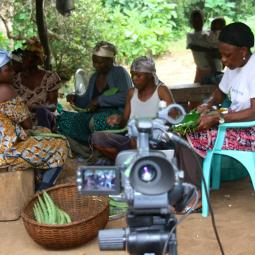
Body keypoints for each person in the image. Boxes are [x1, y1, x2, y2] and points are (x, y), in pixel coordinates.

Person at [176, 22, 255, 209]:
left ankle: (197, 197)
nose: (223, 60)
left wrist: (217, 118)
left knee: (191, 134)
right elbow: (218, 94)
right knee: (181, 130)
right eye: (221, 54)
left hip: (249, 132)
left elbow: (253, 111)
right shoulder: (234, 67)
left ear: (243, 50)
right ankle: (186, 190)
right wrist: (206, 105)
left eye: (227, 55)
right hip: (234, 124)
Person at [0, 49, 70, 191]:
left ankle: (37, 179)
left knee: (43, 129)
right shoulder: (6, 90)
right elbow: (27, 124)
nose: (13, 71)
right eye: (8, 69)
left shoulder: (47, 77)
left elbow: (52, 106)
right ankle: (41, 193)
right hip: (6, 153)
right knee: (61, 145)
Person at [91, 56, 175, 161]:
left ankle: (132, 160)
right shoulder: (131, 93)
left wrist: (153, 125)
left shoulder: (161, 90)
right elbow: (124, 124)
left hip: (155, 142)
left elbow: (173, 118)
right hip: (131, 140)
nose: (134, 79)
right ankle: (133, 161)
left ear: (150, 76)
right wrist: (119, 119)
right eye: (132, 75)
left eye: (138, 76)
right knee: (97, 138)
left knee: (140, 140)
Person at [57, 41, 133, 145]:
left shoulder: (119, 72)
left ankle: (95, 146)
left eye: (100, 62)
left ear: (111, 60)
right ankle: (89, 147)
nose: (95, 65)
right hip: (93, 114)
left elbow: (126, 96)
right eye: (94, 62)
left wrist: (100, 100)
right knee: (62, 119)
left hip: (116, 116)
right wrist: (75, 98)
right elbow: (86, 102)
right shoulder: (94, 77)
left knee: (95, 122)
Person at [12, 37, 61, 132]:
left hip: (43, 119)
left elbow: (53, 105)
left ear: (36, 60)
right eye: (23, 56)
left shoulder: (50, 77)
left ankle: (45, 137)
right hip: (22, 121)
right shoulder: (15, 79)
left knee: (42, 112)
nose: (23, 59)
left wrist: (36, 108)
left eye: (27, 56)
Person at [187, 9, 219, 83]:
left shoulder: (208, 33)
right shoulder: (191, 36)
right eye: (195, 21)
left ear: (203, 20)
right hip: (202, 68)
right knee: (197, 89)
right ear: (191, 22)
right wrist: (207, 49)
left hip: (212, 66)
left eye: (199, 20)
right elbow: (193, 47)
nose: (197, 23)